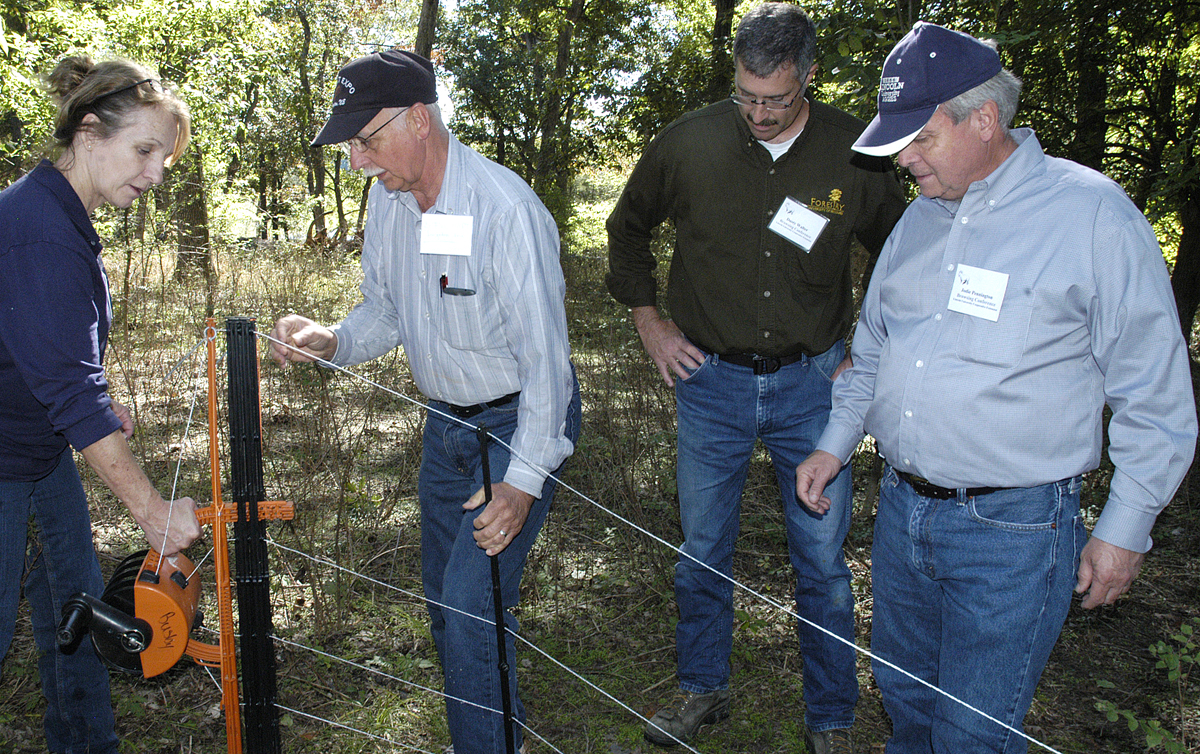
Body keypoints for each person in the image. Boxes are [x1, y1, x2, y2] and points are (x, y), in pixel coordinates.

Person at [795, 22, 1198, 753]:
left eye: (920, 139)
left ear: (984, 119)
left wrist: (1125, 525)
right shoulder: (919, 220)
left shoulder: (1091, 215)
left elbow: (1155, 387)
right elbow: (876, 347)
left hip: (1015, 531)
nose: (905, 160)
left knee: (972, 734)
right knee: (908, 704)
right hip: (903, 516)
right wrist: (834, 443)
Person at [606, 3, 907, 750]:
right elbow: (627, 228)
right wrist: (651, 320)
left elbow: (906, 255)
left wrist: (863, 345)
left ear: (809, 75)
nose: (761, 114)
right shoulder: (690, 142)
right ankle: (702, 689)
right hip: (711, 384)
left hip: (814, 390)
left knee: (823, 563)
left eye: (777, 98)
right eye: (747, 96)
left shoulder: (855, 152)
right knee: (703, 549)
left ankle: (831, 718)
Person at [269, 49, 579, 754]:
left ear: (419, 118)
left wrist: (522, 483)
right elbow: (386, 308)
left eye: (366, 139)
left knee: (471, 609)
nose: (357, 162)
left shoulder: (505, 210)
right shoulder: (389, 201)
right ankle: (507, 731)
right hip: (446, 429)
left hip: (519, 421)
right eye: (349, 144)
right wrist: (332, 340)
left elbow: (547, 367)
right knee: (448, 604)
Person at [0, 55, 201, 754]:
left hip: (41, 452)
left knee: (75, 606)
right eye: (144, 150)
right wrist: (151, 509)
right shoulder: (38, 227)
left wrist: (96, 412)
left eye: (163, 160)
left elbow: (51, 354)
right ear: (90, 132)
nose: (153, 174)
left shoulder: (60, 212)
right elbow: (70, 388)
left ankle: (86, 744)